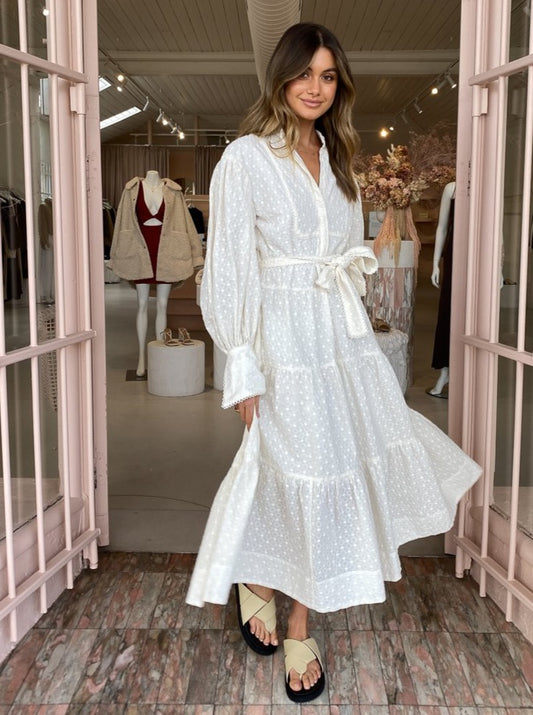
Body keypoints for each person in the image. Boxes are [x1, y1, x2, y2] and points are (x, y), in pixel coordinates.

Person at [186, 23, 481, 703]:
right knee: (289, 474)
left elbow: (345, 257)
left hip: (340, 342)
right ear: (280, 78)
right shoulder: (245, 158)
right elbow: (228, 268)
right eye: (304, 74)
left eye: (327, 76)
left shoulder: (339, 157)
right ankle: (259, 578)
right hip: (282, 344)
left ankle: (296, 618)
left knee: (337, 468)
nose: (315, 88)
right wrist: (242, 363)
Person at [110, 170, 203, 377]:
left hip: (167, 251)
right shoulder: (131, 189)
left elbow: (187, 224)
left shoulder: (173, 191)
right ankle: (142, 358)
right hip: (140, 250)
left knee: (162, 305)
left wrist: (196, 256)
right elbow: (121, 222)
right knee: (142, 305)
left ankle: (160, 356)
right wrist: (115, 255)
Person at [428, 181, 456, 397]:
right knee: (448, 313)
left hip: (481, 258)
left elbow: (497, 229)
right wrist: (435, 263)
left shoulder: (491, 186)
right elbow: (442, 227)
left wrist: (498, 267)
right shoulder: (452, 189)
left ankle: (468, 374)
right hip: (455, 256)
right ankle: (444, 372)